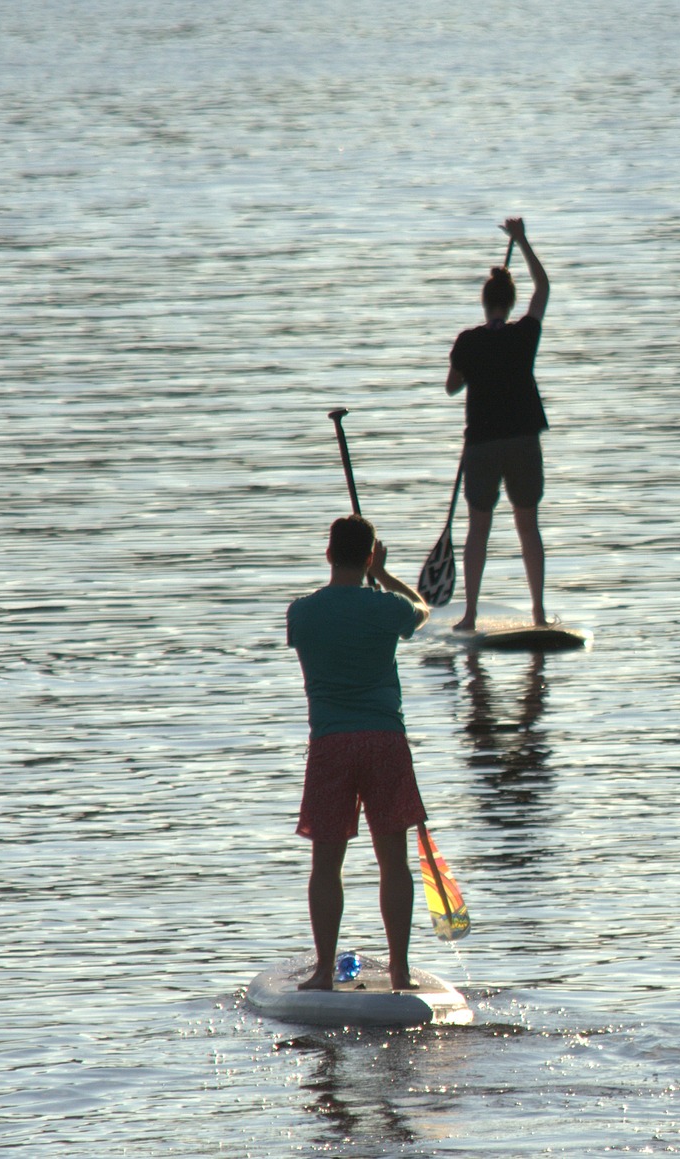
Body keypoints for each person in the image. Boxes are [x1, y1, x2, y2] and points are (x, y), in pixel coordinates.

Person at [285, 515, 432, 992]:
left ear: (328, 554)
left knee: (326, 866)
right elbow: (422, 611)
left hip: (330, 744)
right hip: (384, 741)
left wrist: (366, 581)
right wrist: (384, 577)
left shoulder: (301, 614)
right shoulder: (386, 607)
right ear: (370, 556)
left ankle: (324, 971)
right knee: (395, 862)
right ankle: (401, 970)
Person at [445, 216, 553, 630]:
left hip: (482, 445)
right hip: (523, 441)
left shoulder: (468, 341)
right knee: (529, 527)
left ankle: (470, 615)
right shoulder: (525, 335)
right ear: (509, 304)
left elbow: (452, 388)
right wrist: (522, 241)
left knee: (478, 531)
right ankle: (539, 613)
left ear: (484, 302)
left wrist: (473, 367)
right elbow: (543, 289)